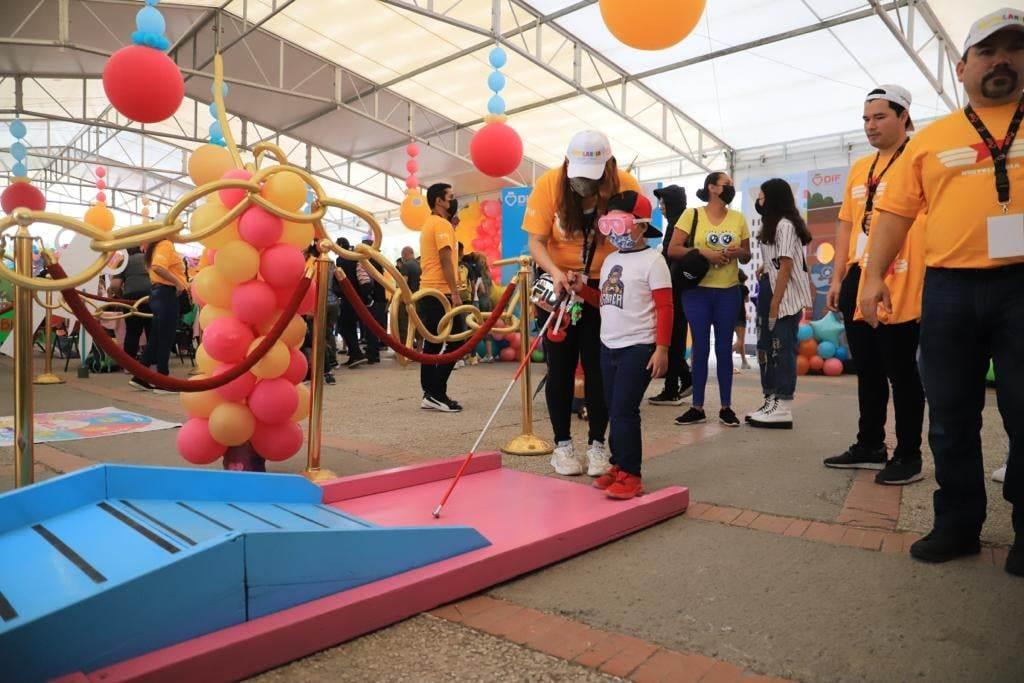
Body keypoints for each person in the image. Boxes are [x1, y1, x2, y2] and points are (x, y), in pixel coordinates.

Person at [859, 9, 1024, 575]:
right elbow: (894, 214)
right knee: (951, 415)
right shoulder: (930, 141)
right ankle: (957, 523)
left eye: (1014, 49)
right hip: (950, 288)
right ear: (962, 66)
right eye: (987, 51)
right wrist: (872, 277)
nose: (1001, 60)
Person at [823, 84, 927, 486]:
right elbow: (846, 224)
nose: (870, 125)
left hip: (901, 275)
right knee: (867, 368)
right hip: (858, 274)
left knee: (901, 369)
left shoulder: (919, 158)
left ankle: (908, 454)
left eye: (880, 116)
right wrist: (838, 278)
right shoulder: (859, 167)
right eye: (866, 119)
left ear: (904, 117)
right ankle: (870, 444)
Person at [523, 130, 642, 476]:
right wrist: (556, 273)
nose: (583, 184)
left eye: (592, 177)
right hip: (560, 285)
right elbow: (536, 241)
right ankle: (562, 445)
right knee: (559, 367)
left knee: (599, 367)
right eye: (578, 176)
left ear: (608, 167)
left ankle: (597, 445)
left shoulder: (625, 185)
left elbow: (636, 237)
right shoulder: (550, 184)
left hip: (604, 288)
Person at [569, 191, 671, 498]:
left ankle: (631, 474)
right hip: (608, 346)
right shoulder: (611, 260)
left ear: (642, 225)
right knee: (613, 408)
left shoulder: (654, 261)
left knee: (625, 410)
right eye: (608, 225)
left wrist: (662, 349)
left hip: (638, 347)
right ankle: (618, 465)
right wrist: (582, 289)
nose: (614, 233)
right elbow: (605, 299)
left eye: (620, 223)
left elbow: (665, 307)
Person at [667, 172, 751, 427]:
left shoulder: (738, 218)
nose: (731, 188)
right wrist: (704, 253)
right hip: (697, 292)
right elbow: (673, 249)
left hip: (728, 291)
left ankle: (726, 407)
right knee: (700, 348)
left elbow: (747, 255)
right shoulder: (691, 214)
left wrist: (739, 252)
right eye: (727, 184)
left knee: (724, 349)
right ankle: (697, 407)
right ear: (712, 187)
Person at [747, 179, 814, 429]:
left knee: (782, 348)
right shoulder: (772, 225)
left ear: (773, 198)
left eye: (762, 196)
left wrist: (776, 302)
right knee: (765, 347)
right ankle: (771, 399)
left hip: (783, 296)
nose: (759, 201)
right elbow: (777, 261)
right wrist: (764, 267)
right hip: (769, 289)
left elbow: (786, 265)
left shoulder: (785, 225)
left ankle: (783, 404)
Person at [418, 182, 463, 412]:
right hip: (441, 292)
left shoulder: (432, 223)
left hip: (429, 290)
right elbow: (445, 259)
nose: (453, 201)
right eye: (450, 196)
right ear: (439, 200)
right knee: (458, 340)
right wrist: (454, 292)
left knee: (433, 343)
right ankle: (436, 392)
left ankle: (430, 392)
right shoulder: (441, 224)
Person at [649, 184, 694, 405]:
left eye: (664, 203)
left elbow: (672, 256)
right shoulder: (677, 224)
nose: (661, 207)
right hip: (676, 288)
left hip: (677, 289)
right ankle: (684, 380)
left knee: (674, 339)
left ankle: (672, 389)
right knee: (674, 338)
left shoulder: (680, 225)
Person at [128, 239, 187, 393]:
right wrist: (178, 283)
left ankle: (140, 377)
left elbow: (155, 267)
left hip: (159, 293)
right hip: (167, 293)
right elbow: (158, 266)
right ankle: (162, 380)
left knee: (156, 337)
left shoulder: (153, 247)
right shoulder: (165, 244)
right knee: (165, 337)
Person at [113, 245, 152, 361]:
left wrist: (122, 296)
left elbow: (114, 286)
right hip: (151, 297)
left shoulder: (123, 262)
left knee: (132, 332)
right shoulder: (150, 258)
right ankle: (153, 362)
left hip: (130, 300)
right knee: (152, 331)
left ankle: (130, 363)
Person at [334, 237, 368, 369]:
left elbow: (340, 279)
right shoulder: (355, 258)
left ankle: (356, 353)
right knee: (351, 325)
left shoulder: (341, 260)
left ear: (341, 245)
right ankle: (354, 354)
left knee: (345, 326)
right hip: (357, 298)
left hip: (347, 296)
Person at [396, 246, 421, 347]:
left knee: (405, 325)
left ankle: (407, 349)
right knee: (419, 325)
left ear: (404, 254)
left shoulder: (405, 266)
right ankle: (419, 349)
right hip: (419, 298)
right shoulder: (419, 265)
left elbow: (403, 283)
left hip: (408, 300)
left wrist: (399, 297)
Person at [733, 269, 751, 372]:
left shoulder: (731, 287)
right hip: (740, 316)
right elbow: (747, 300)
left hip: (730, 316)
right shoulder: (743, 288)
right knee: (740, 341)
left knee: (740, 340)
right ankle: (727, 353)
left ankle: (744, 362)